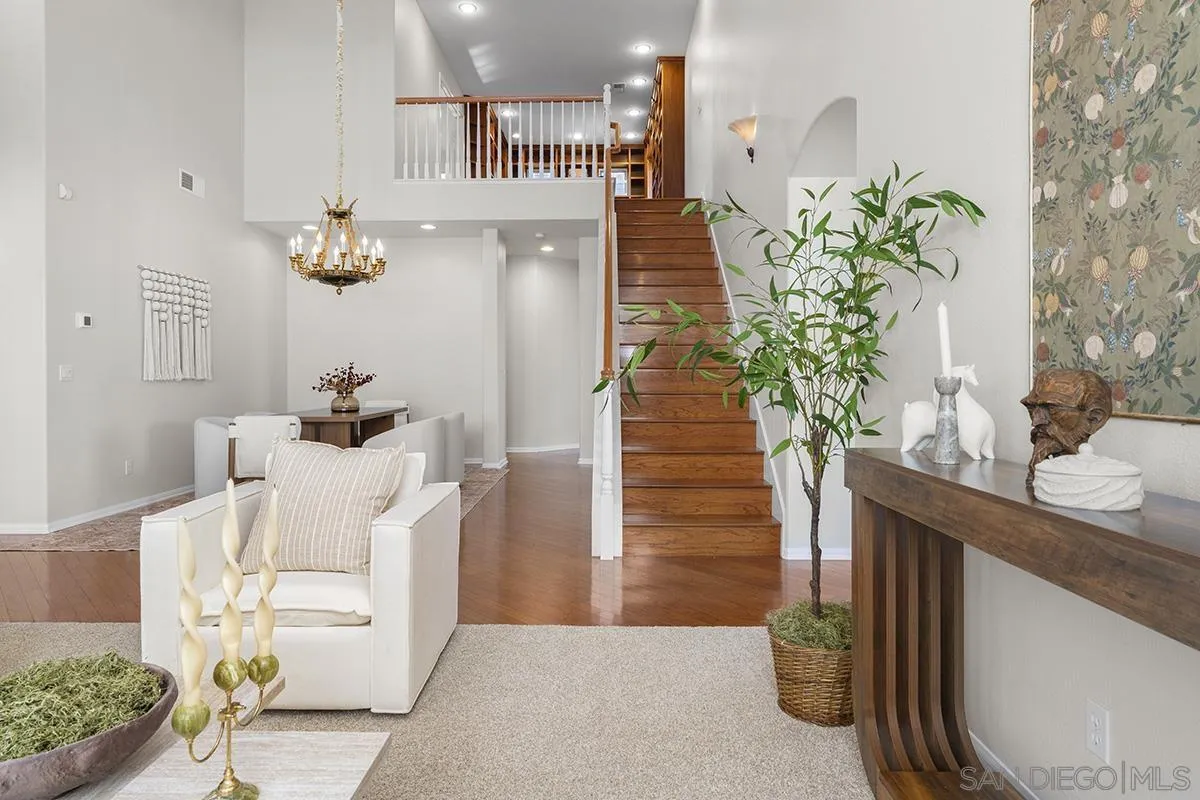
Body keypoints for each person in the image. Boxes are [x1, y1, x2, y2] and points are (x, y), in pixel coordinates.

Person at [1020, 369, 1113, 485]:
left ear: (1095, 418)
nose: (1036, 421)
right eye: (1032, 408)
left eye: (1052, 409)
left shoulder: (1093, 483)